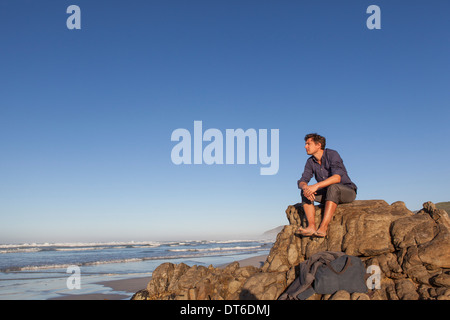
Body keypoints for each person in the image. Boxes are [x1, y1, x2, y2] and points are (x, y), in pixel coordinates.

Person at [297, 133, 357, 238]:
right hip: (327, 193)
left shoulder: (332, 154)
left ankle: (323, 227)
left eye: (308, 144)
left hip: (346, 191)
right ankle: (311, 226)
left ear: (318, 145)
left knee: (333, 187)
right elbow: (302, 180)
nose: (305, 146)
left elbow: (337, 178)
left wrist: (316, 186)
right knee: (304, 191)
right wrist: (305, 187)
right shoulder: (310, 162)